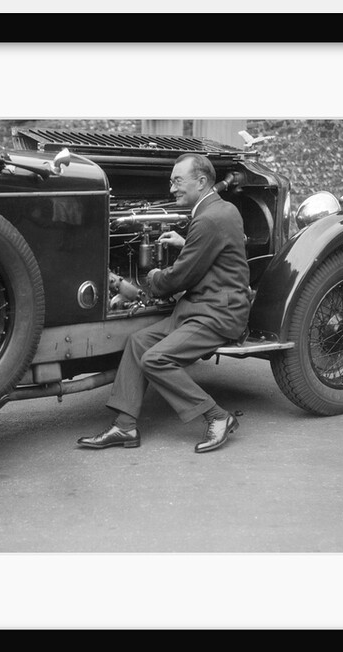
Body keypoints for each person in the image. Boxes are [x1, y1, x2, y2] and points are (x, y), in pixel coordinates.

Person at [77, 153, 251, 454]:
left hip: (218, 313)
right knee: (138, 342)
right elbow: (218, 249)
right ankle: (125, 426)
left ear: (201, 181)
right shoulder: (224, 209)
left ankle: (217, 416)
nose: (172, 189)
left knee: (155, 359)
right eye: (171, 182)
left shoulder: (208, 219)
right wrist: (187, 244)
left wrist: (153, 278)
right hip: (200, 308)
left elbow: (181, 277)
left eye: (177, 181)